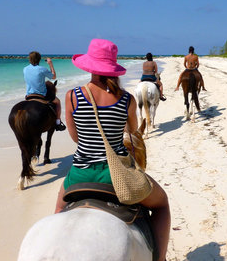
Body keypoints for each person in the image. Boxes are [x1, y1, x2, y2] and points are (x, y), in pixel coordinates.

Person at [54, 39, 170, 261]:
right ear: (113, 68)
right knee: (162, 203)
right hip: (115, 175)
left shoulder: (72, 96)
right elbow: (133, 134)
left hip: (79, 173)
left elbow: (76, 138)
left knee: (59, 213)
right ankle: (161, 259)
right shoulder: (126, 99)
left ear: (89, 66)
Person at [23, 51, 66, 131]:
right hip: (41, 95)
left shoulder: (25, 69)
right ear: (39, 59)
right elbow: (53, 77)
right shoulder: (42, 69)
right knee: (57, 102)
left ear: (29, 59)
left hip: (28, 95)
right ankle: (58, 122)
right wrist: (50, 64)